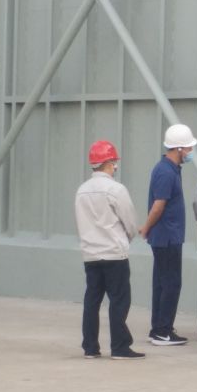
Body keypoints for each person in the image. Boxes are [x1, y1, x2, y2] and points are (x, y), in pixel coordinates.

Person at [74, 140, 144, 360]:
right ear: (108, 163)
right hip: (114, 253)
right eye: (114, 162)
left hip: (91, 254)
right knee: (119, 301)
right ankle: (119, 346)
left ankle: (90, 347)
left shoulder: (82, 190)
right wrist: (126, 238)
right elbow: (130, 221)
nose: (115, 166)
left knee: (92, 301)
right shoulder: (116, 189)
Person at [140, 124, 197, 347]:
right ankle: (162, 331)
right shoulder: (165, 172)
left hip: (167, 236)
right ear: (179, 149)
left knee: (162, 283)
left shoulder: (169, 169)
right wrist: (146, 228)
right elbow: (158, 206)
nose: (190, 152)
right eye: (188, 148)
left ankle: (159, 328)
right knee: (171, 283)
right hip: (167, 237)